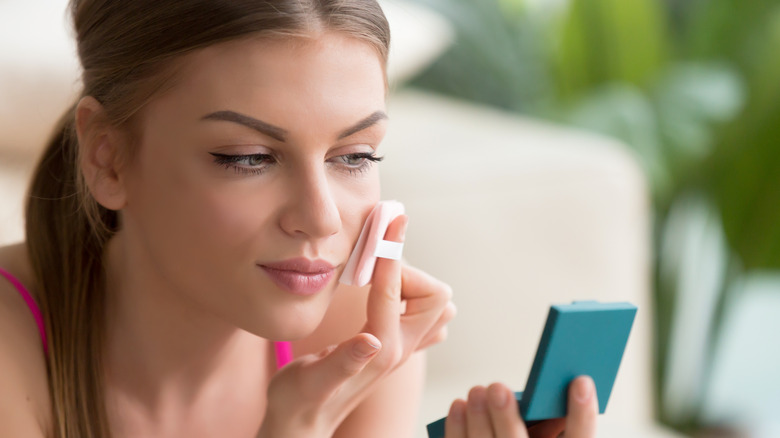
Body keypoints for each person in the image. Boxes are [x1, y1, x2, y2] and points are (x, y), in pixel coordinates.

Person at [0, 1, 598, 437]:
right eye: (248, 158)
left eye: (356, 156)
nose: (320, 220)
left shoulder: (361, 336)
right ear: (108, 158)